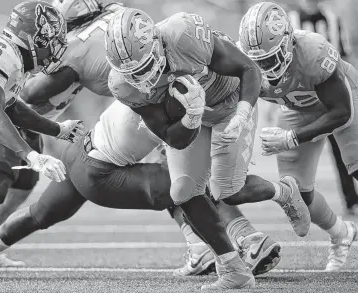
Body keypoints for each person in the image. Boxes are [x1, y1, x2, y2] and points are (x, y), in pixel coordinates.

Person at [0, 0, 280, 276]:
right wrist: (194, 114)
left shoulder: (135, 59)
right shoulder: (137, 77)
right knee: (186, 187)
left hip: (85, 150)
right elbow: (175, 138)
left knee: (39, 213)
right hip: (101, 169)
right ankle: (243, 239)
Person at [106, 8, 311, 290]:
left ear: (156, 45)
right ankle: (234, 270)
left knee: (227, 191)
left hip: (230, 102)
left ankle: (285, 192)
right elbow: (171, 136)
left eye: (143, 68)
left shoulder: (183, 35)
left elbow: (248, 68)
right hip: (194, 118)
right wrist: (190, 116)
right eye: (131, 73)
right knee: (182, 191)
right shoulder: (123, 85)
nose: (141, 79)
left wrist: (241, 115)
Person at [238, 1, 358, 272]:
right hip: (297, 107)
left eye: (270, 57)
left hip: (344, 100)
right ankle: (342, 233)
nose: (265, 66)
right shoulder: (243, 64)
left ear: (289, 42)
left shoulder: (312, 51)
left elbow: (342, 112)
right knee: (297, 193)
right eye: (258, 60)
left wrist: (291, 137)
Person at [0, 0, 85, 224]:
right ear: (35, 38)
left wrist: (57, 129)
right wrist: (30, 156)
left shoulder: (13, 61)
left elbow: (10, 107)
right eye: (51, 42)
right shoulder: (1, 53)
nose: (53, 50)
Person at [288, 0, 358, 215]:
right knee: (300, 156)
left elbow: (345, 55)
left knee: (346, 153)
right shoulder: (290, 20)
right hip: (301, 99)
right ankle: (301, 203)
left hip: (332, 94)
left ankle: (351, 201)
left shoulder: (332, 18)